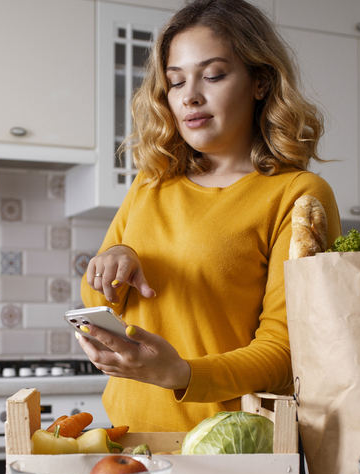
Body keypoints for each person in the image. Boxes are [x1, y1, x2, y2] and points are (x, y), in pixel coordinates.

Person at [77, 0, 341, 433]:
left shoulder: (297, 195)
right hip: (128, 440)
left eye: (213, 75)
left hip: (234, 447)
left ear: (260, 81)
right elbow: (98, 304)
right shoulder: (150, 183)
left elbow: (287, 353)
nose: (190, 96)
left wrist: (182, 374)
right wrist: (113, 259)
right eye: (176, 81)